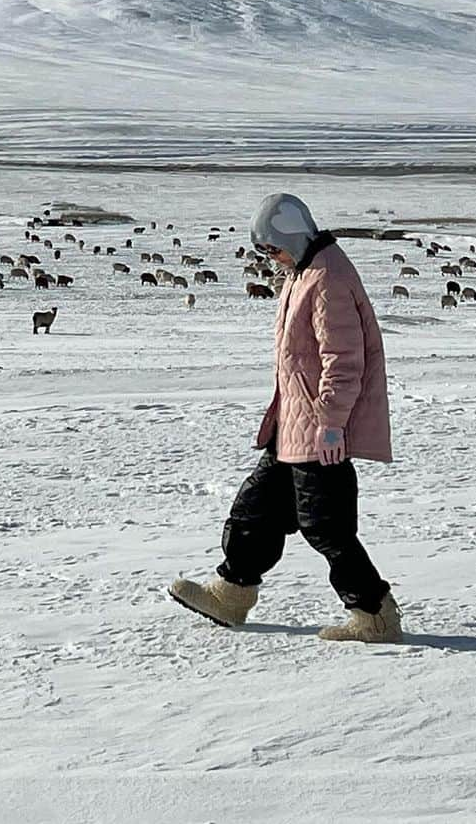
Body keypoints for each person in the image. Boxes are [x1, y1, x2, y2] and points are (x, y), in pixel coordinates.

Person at [169, 192, 401, 643]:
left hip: (319, 428)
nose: (270, 259)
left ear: (291, 237)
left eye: (272, 248)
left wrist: (332, 421)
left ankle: (375, 615)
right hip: (293, 422)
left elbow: (343, 360)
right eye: (264, 252)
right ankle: (232, 593)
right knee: (254, 510)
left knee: (326, 527)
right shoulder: (305, 270)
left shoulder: (327, 278)